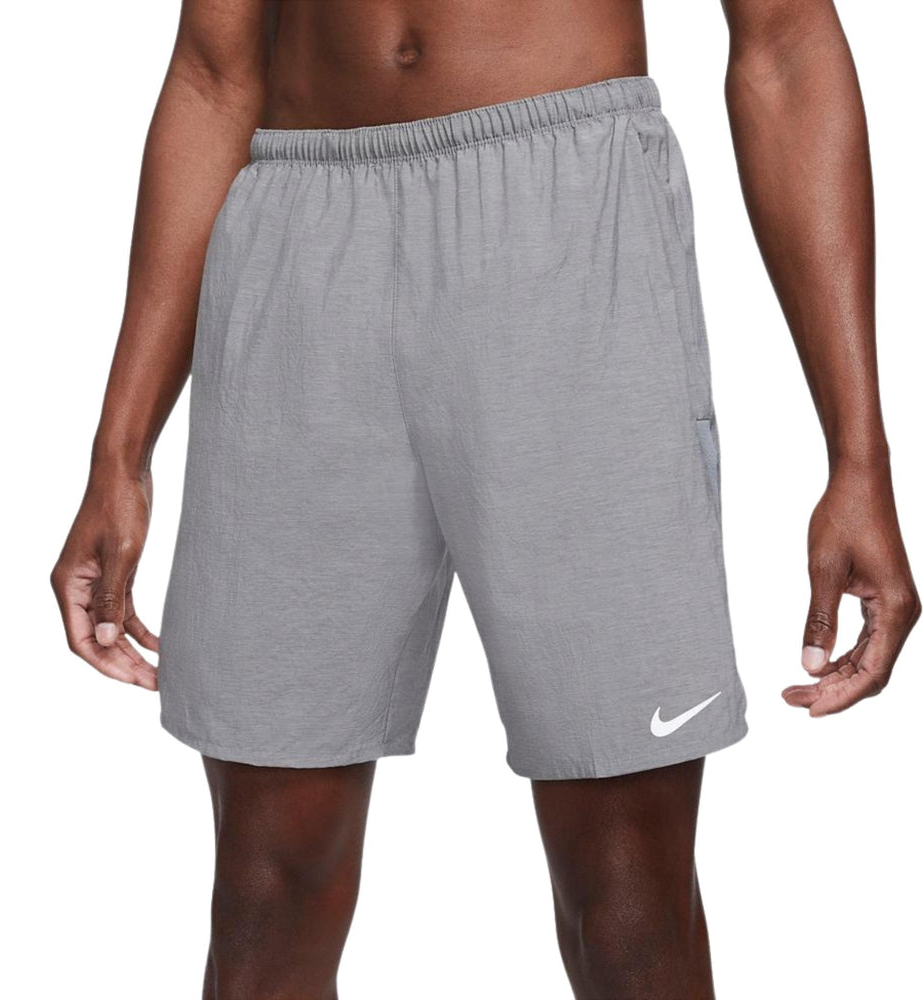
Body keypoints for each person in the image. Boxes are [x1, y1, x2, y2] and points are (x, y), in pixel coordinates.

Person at [51, 2, 919, 997]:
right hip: (301, 234)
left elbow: (785, 42)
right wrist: (120, 451)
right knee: (264, 893)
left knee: (627, 903)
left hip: (567, 223)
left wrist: (859, 455)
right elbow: (213, 75)